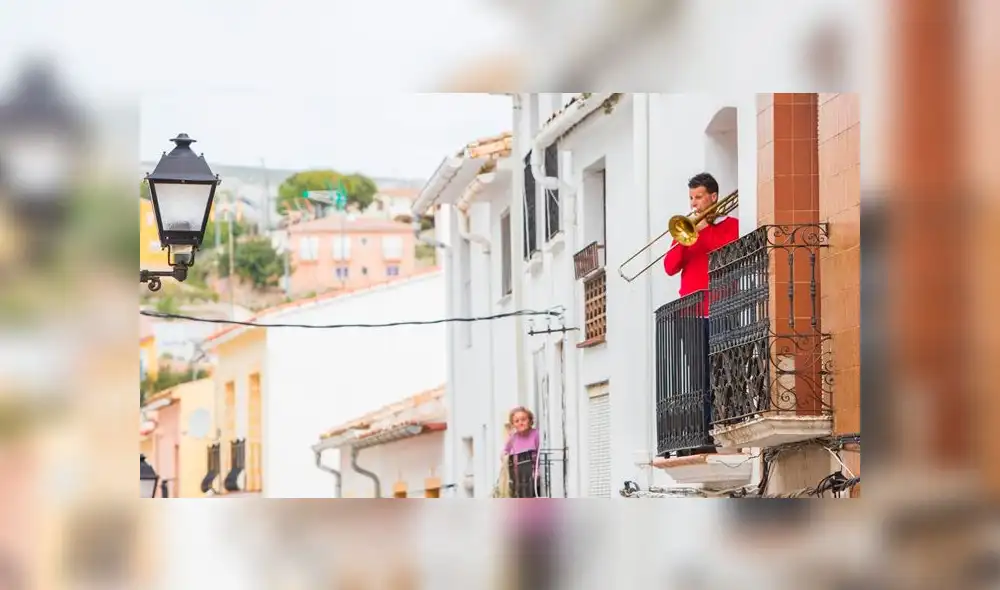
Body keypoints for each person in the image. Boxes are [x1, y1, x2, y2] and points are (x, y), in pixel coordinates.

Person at [662, 172, 739, 455]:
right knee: (699, 376)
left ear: (713, 197)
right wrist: (685, 239)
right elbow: (670, 268)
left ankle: (728, 425)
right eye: (691, 198)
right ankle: (703, 431)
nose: (694, 203)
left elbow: (729, 254)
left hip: (722, 310)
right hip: (691, 314)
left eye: (698, 197)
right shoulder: (686, 231)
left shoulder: (732, 226)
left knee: (726, 370)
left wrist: (706, 229)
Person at [502, 406, 540, 498]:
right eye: (517, 421)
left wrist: (537, 471)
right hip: (518, 476)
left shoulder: (536, 434)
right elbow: (504, 451)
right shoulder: (513, 438)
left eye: (523, 419)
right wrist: (506, 458)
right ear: (513, 424)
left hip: (533, 475)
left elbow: (540, 453)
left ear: (530, 421)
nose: (520, 423)